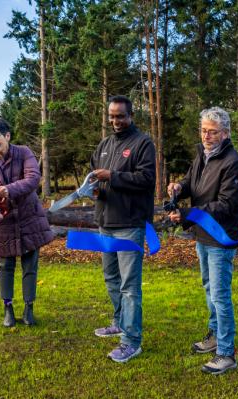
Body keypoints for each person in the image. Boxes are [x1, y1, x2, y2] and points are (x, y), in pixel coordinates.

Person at [167, 107, 238, 375]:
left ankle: (226, 352)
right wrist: (179, 186)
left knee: (221, 295)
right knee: (209, 288)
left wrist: (187, 214)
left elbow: (225, 204)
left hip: (220, 237)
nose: (207, 136)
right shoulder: (202, 155)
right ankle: (214, 337)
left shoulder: (233, 162)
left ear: (225, 133)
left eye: (212, 132)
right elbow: (191, 183)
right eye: (203, 130)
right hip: (202, 234)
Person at [90, 95, 156, 363]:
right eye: (112, 116)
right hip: (105, 223)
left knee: (130, 286)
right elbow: (94, 176)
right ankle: (119, 322)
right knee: (111, 279)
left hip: (129, 225)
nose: (115, 121)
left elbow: (146, 179)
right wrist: (94, 189)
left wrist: (112, 177)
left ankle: (131, 340)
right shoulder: (104, 145)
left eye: (120, 116)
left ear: (131, 116)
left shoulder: (143, 143)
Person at [0, 117, 54, 327]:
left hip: (29, 218)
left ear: (7, 136)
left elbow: (32, 178)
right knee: (5, 266)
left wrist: (9, 189)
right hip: (4, 222)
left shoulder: (24, 152)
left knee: (30, 266)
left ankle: (29, 309)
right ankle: (8, 309)